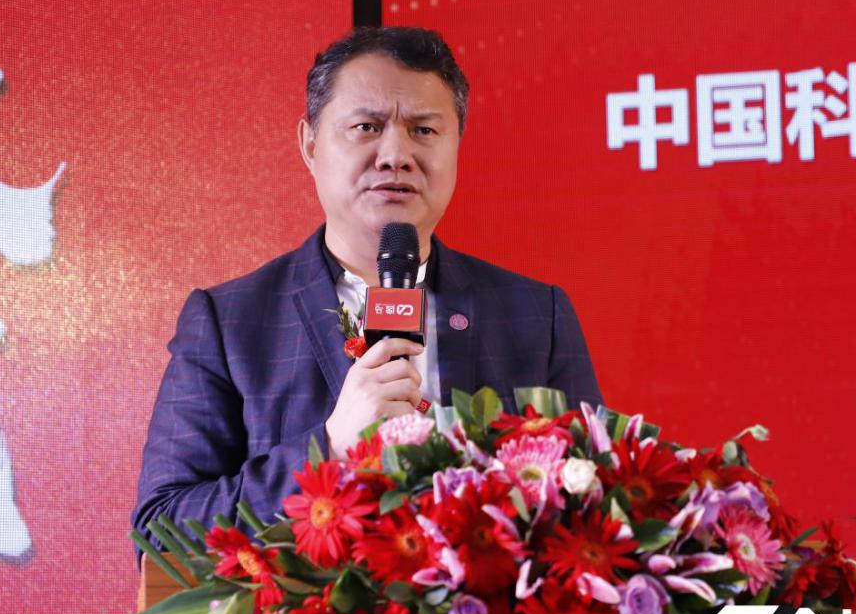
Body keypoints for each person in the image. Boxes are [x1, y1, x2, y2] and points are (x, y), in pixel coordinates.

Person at [132, 27, 600, 543]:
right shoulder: (229, 324)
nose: (395, 154)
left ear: (456, 146)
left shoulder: (536, 315)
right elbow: (161, 531)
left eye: (424, 130)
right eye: (366, 127)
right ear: (310, 145)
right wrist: (329, 447)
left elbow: (597, 504)